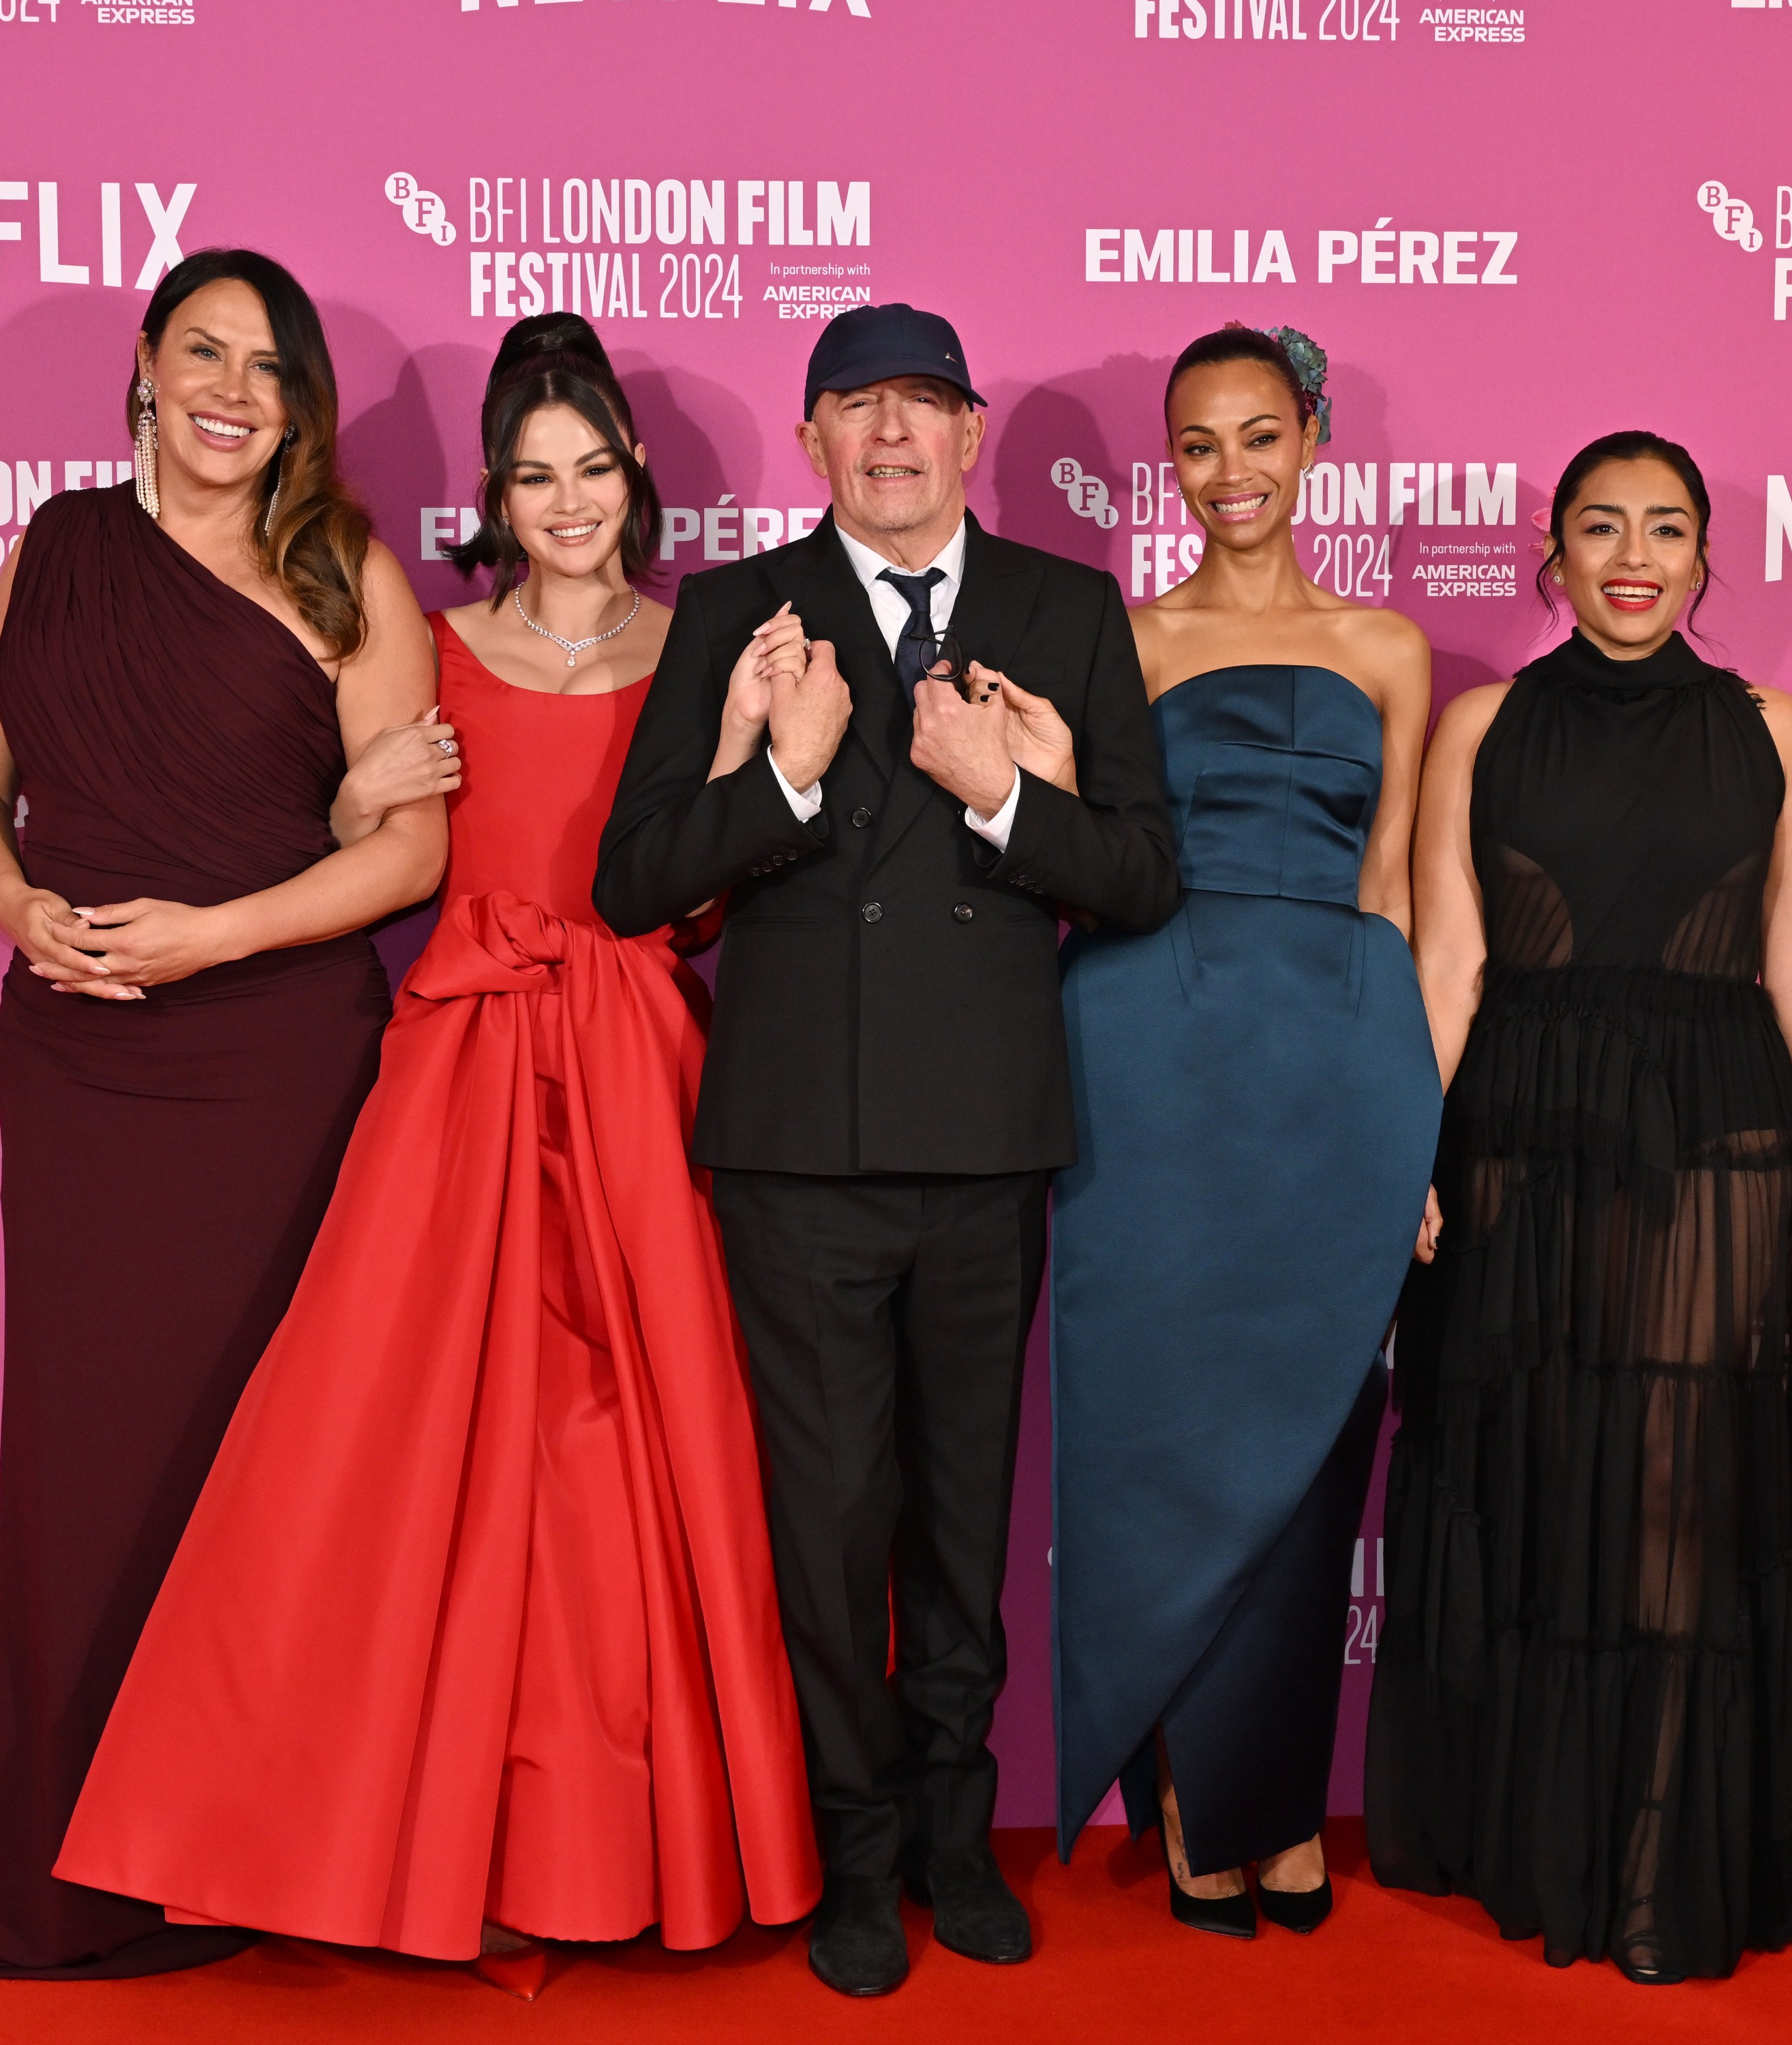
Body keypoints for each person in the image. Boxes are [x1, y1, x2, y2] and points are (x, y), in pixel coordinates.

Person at [56, 314, 822, 1990]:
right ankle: (409, 1842)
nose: (567, 502)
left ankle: (624, 1847)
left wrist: (764, 760)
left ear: (635, 480)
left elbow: (689, 894)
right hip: (464, 1075)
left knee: (629, 1463)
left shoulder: (708, 644)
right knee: (413, 1464)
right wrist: (353, 806)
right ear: (495, 490)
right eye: (534, 474)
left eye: (593, 469)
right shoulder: (432, 643)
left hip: (636, 1074)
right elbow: (376, 846)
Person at [594, 302, 1178, 1997]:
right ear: (812, 442)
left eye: (922, 407)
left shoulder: (1065, 610)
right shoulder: (731, 611)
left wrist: (1003, 800)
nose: (892, 437)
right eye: (857, 410)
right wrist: (782, 781)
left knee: (957, 1516)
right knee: (829, 1524)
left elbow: (1141, 874)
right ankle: (853, 1852)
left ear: (975, 434)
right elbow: (636, 879)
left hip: (986, 1140)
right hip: (795, 1153)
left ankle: (949, 1833)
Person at [0, 248, 448, 1979]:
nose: (234, 390)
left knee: (262, 1464)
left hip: (273, 1066)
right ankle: (71, 1879)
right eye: (205, 351)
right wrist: (20, 914)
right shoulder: (57, 549)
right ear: (147, 362)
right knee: (83, 1467)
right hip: (80, 1059)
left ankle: (249, 1856)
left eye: (271, 368)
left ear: (299, 403)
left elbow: (413, 850)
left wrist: (213, 932)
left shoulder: (344, 574)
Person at [1366, 429, 1792, 1982]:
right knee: (1541, 1479)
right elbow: (1450, 965)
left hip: (1719, 1134)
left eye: (1666, 527)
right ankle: (1550, 1840)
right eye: (1602, 526)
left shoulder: (1774, 732)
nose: (1633, 554)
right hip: (1521, 1133)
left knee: (1682, 1491)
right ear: (1557, 553)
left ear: (1708, 556)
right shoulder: (1480, 728)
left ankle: (1664, 1851)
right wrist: (1409, 1154)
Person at [1050, 326, 1439, 1941]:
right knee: (1175, 1434)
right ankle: (1203, 1806)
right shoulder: (1128, 642)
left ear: (1315, 441)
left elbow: (1396, 888)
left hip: (1338, 1067)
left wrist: (1414, 1124)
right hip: (1158, 1053)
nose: (1232, 475)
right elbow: (1104, 863)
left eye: (1260, 438)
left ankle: (1279, 1800)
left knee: (1316, 1431)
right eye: (1199, 446)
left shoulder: (1395, 650)